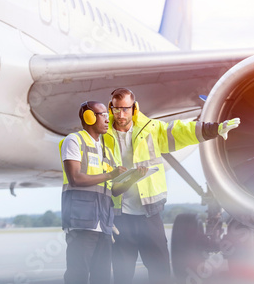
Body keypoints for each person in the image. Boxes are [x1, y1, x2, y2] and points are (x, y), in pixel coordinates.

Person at [104, 88, 240, 284]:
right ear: (111, 107)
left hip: (149, 215)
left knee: (160, 271)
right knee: (122, 274)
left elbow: (181, 131)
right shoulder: (102, 135)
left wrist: (215, 129)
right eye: (116, 109)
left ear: (134, 108)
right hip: (120, 217)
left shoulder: (150, 129)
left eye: (125, 109)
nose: (121, 115)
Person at [60, 100, 146, 284]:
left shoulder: (105, 149)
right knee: (77, 276)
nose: (109, 119)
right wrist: (110, 174)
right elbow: (75, 178)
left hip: (104, 224)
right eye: (104, 115)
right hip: (81, 223)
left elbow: (113, 191)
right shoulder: (74, 140)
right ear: (89, 117)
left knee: (103, 278)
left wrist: (133, 178)